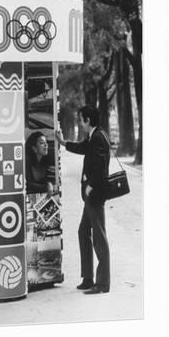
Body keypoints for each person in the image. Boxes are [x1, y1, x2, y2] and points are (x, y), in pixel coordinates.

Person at [55, 106, 111, 295]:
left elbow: (101, 166)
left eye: (81, 120)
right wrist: (63, 142)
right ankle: (88, 278)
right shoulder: (94, 136)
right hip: (91, 193)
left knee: (99, 237)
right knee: (83, 232)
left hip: (95, 193)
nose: (80, 122)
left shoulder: (99, 137)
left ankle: (102, 283)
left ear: (88, 120)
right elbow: (82, 148)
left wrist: (91, 185)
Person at [25, 131, 55, 196]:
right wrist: (46, 187)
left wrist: (48, 183)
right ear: (34, 148)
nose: (46, 145)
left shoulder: (44, 161)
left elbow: (42, 180)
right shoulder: (27, 161)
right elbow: (28, 184)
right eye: (42, 143)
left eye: (46, 142)